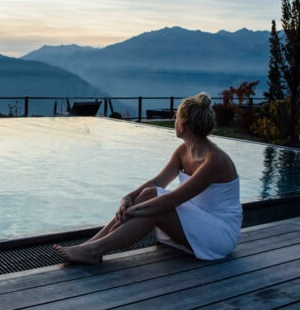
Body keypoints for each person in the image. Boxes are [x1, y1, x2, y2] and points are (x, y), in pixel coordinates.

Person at [54, 92, 242, 264]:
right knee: (150, 192)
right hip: (196, 222)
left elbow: (173, 199)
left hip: (220, 235)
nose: (174, 121)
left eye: (176, 118)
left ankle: (94, 250)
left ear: (183, 126)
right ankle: (91, 246)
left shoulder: (215, 161)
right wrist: (127, 198)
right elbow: (156, 183)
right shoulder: (183, 151)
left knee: (157, 205)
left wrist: (134, 211)